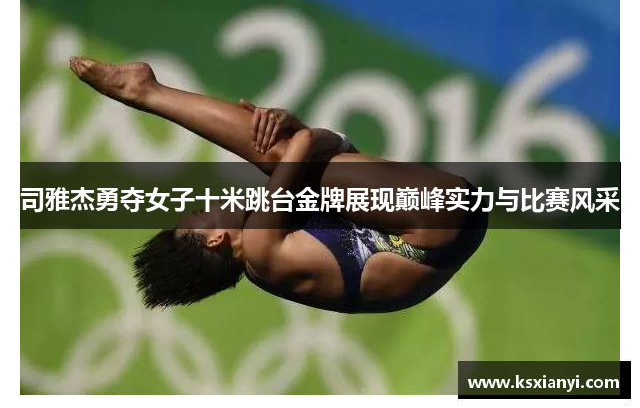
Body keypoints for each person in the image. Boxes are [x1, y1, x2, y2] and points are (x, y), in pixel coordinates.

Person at [69, 57, 488, 313]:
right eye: (199, 213)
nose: (209, 203)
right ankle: (144, 92)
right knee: (275, 150)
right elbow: (302, 146)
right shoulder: (260, 249)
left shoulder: (273, 252)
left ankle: (146, 91)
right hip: (431, 228)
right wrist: (297, 132)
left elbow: (340, 158)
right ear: (215, 238)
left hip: (442, 228)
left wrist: (306, 136)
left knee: (286, 153)